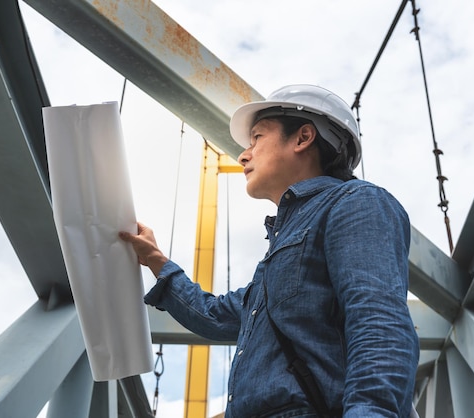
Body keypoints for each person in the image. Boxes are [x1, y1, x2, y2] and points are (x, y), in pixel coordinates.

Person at [120, 85, 419, 417]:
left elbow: (378, 323)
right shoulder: (281, 248)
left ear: (303, 137)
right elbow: (216, 316)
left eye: (257, 138)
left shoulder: (356, 202)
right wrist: (156, 261)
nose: (243, 155)